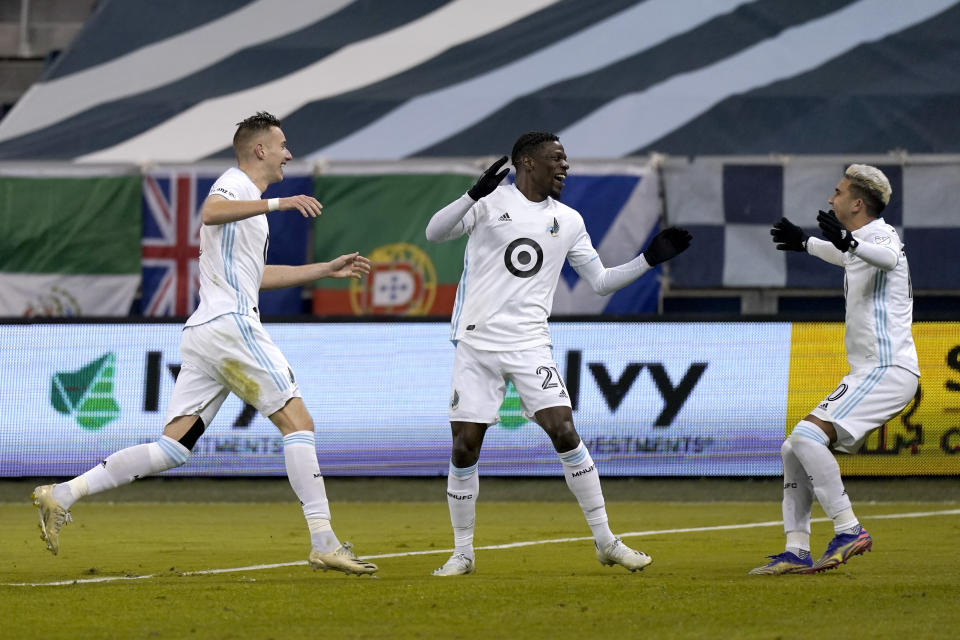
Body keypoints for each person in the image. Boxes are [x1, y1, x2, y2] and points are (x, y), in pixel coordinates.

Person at [32, 111, 378, 575]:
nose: (288, 154)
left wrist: (323, 269)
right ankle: (324, 541)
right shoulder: (235, 185)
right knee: (298, 422)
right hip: (230, 326)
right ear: (260, 150)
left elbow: (255, 277)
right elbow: (209, 212)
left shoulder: (250, 204)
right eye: (282, 145)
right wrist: (282, 204)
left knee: (173, 448)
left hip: (205, 331)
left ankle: (64, 493)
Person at [424, 131, 692, 576]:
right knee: (464, 445)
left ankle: (606, 541)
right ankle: (463, 552)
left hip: (530, 343)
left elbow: (601, 281)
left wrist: (647, 260)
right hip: (477, 342)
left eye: (565, 160)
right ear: (528, 163)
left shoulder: (568, 220)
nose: (564, 167)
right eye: (556, 159)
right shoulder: (489, 203)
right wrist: (473, 194)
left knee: (564, 430)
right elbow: (435, 233)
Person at [751, 164, 920, 575]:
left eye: (838, 192)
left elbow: (884, 257)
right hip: (870, 371)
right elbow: (849, 257)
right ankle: (796, 549)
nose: (831, 199)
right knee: (793, 447)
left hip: (887, 368)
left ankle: (848, 529)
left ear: (857, 203)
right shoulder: (858, 244)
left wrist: (845, 240)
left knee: (807, 437)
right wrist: (806, 243)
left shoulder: (880, 235)